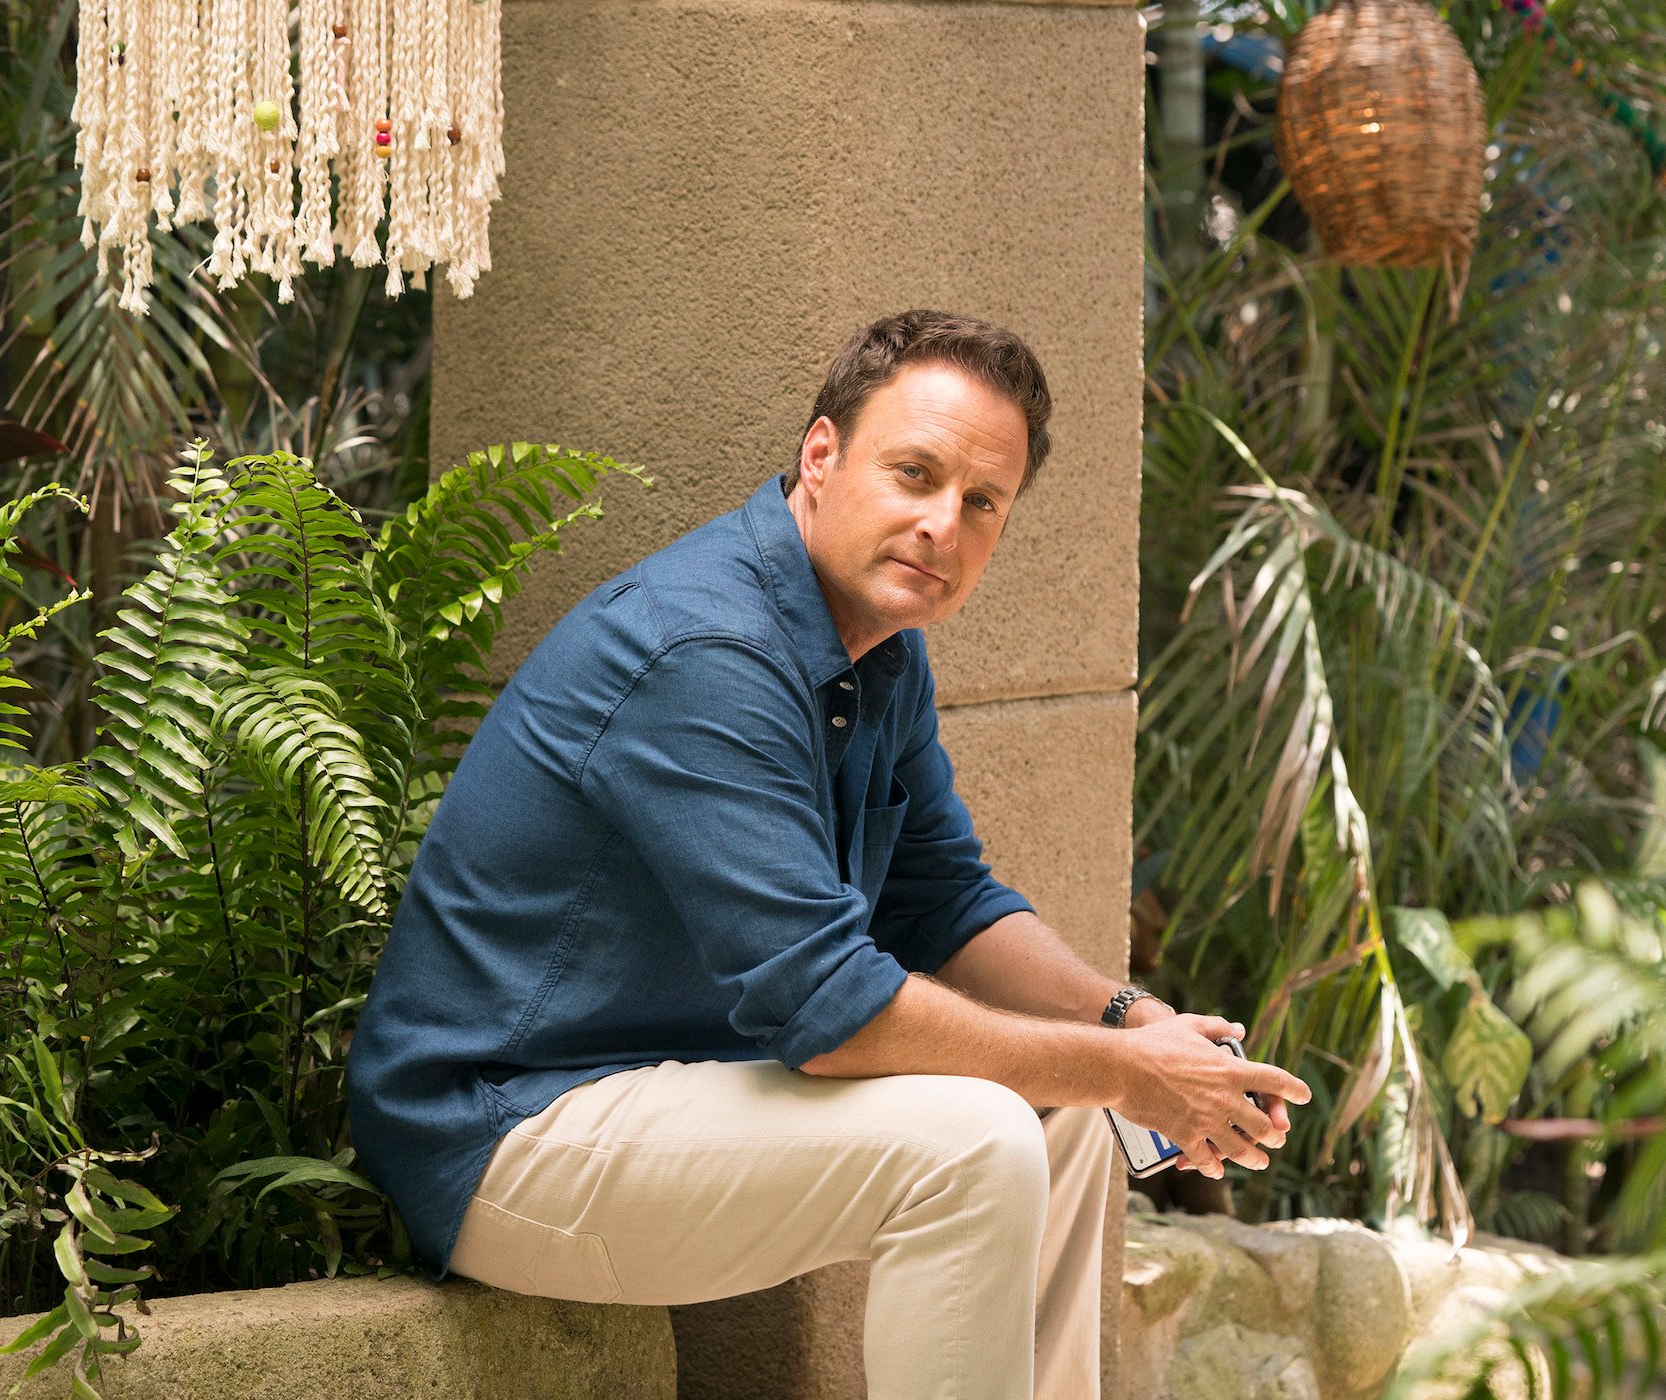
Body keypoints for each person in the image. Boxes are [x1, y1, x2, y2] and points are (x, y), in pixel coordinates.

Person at [346, 309, 1311, 1399]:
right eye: (915, 473)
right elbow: (830, 1010)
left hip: (669, 1088)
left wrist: (1128, 1024)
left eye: (981, 501)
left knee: (1066, 1118)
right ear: (820, 455)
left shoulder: (880, 651)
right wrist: (1137, 1073)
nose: (942, 522)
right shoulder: (706, 651)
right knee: (974, 1140)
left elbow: (945, 899)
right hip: (502, 1129)